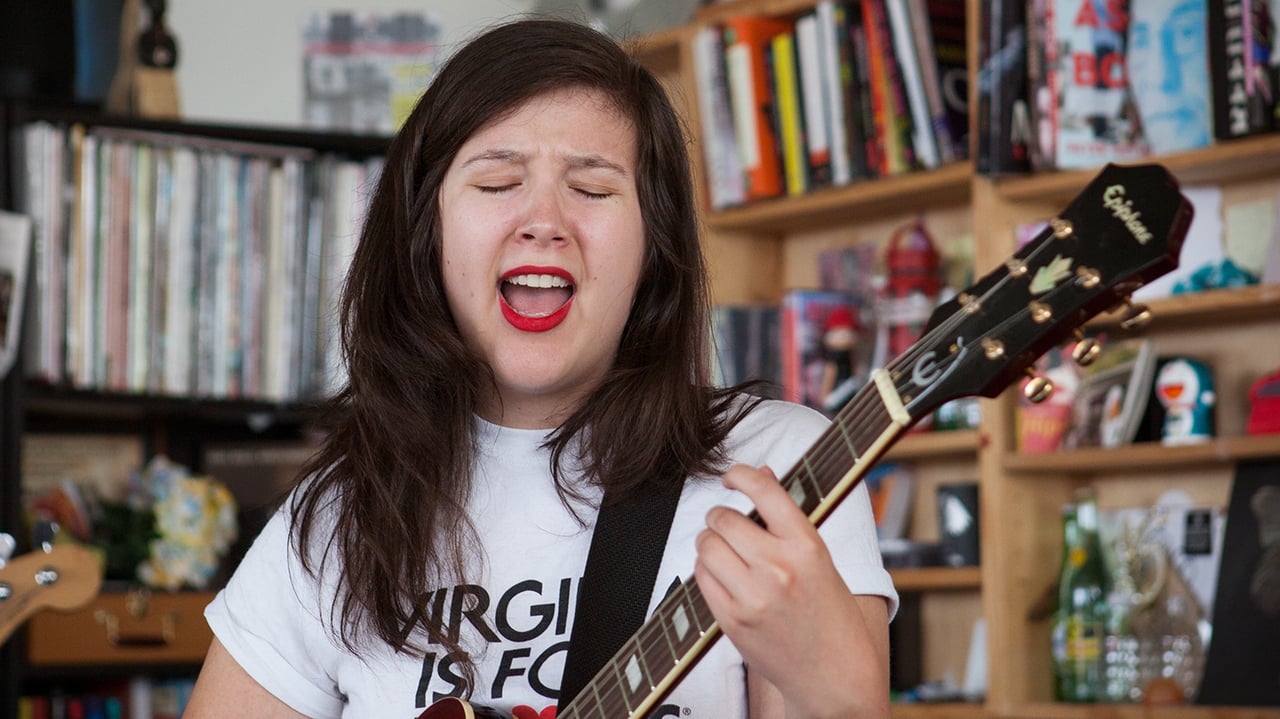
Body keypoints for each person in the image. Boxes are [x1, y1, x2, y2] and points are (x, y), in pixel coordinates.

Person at [185, 17, 896, 719]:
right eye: (497, 183)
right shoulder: (338, 515)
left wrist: (835, 693)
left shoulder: (777, 469)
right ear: (426, 233)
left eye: (593, 189)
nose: (544, 219)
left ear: (653, 249)